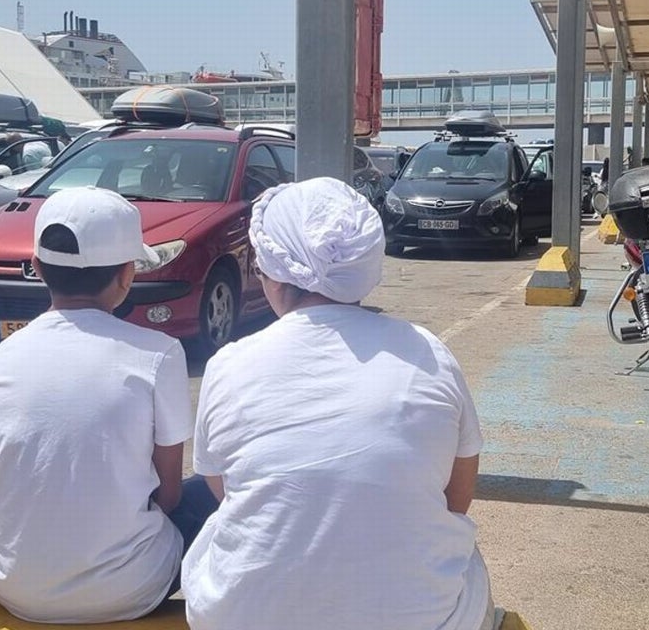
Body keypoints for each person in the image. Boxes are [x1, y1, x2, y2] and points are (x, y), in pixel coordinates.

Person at [182, 177, 496, 630]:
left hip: (244, 618)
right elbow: (457, 499)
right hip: (417, 619)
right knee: (461, 553)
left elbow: (222, 489)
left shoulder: (230, 364)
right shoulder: (429, 353)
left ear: (270, 271)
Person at [0, 187, 213, 623]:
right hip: (131, 589)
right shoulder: (159, 353)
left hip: (13, 587)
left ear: (39, 268)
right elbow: (170, 495)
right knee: (215, 492)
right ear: (126, 274)